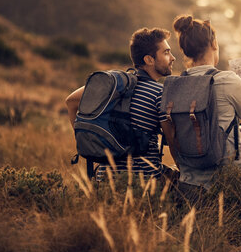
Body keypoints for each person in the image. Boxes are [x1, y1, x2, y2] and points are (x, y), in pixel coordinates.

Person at [165, 15, 241, 193]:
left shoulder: (175, 85)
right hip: (224, 173)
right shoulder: (227, 80)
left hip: (188, 171)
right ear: (214, 45)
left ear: (185, 51)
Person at [65, 28, 175, 180]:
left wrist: (86, 138)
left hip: (103, 181)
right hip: (144, 184)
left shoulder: (114, 86)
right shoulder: (160, 92)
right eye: (166, 52)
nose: (173, 58)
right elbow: (173, 141)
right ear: (149, 60)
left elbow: (71, 101)